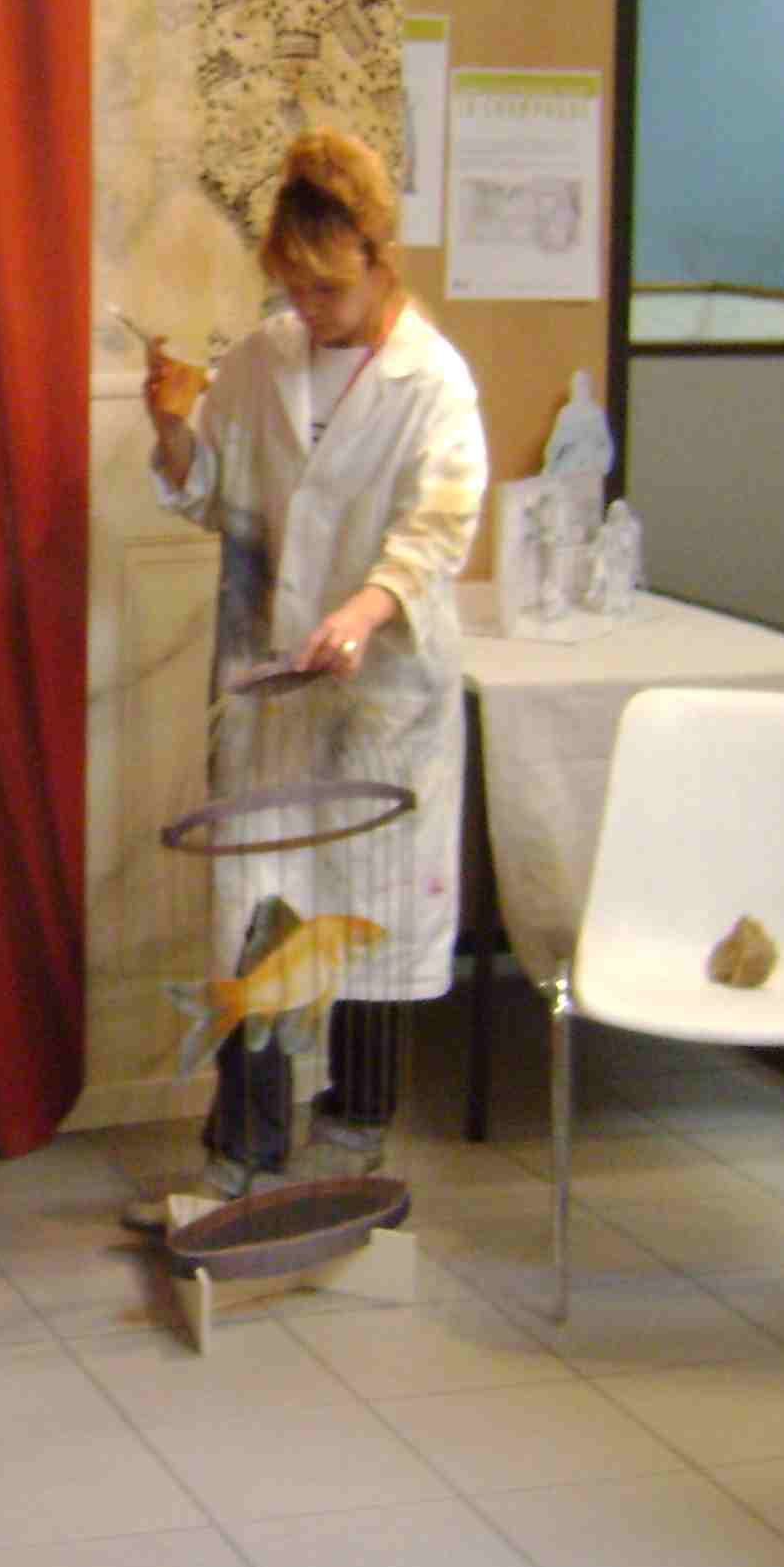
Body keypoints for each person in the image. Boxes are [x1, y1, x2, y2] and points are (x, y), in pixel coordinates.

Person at [139, 131, 486, 1208]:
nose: (308, 308)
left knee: (365, 922)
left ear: (380, 261)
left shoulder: (434, 383)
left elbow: (439, 527)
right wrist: (172, 429)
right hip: (267, 688)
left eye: (327, 289)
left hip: (379, 701)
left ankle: (354, 1139)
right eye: (292, 287)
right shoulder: (261, 360)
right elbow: (211, 497)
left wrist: (365, 609)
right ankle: (241, 1156)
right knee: (258, 919)